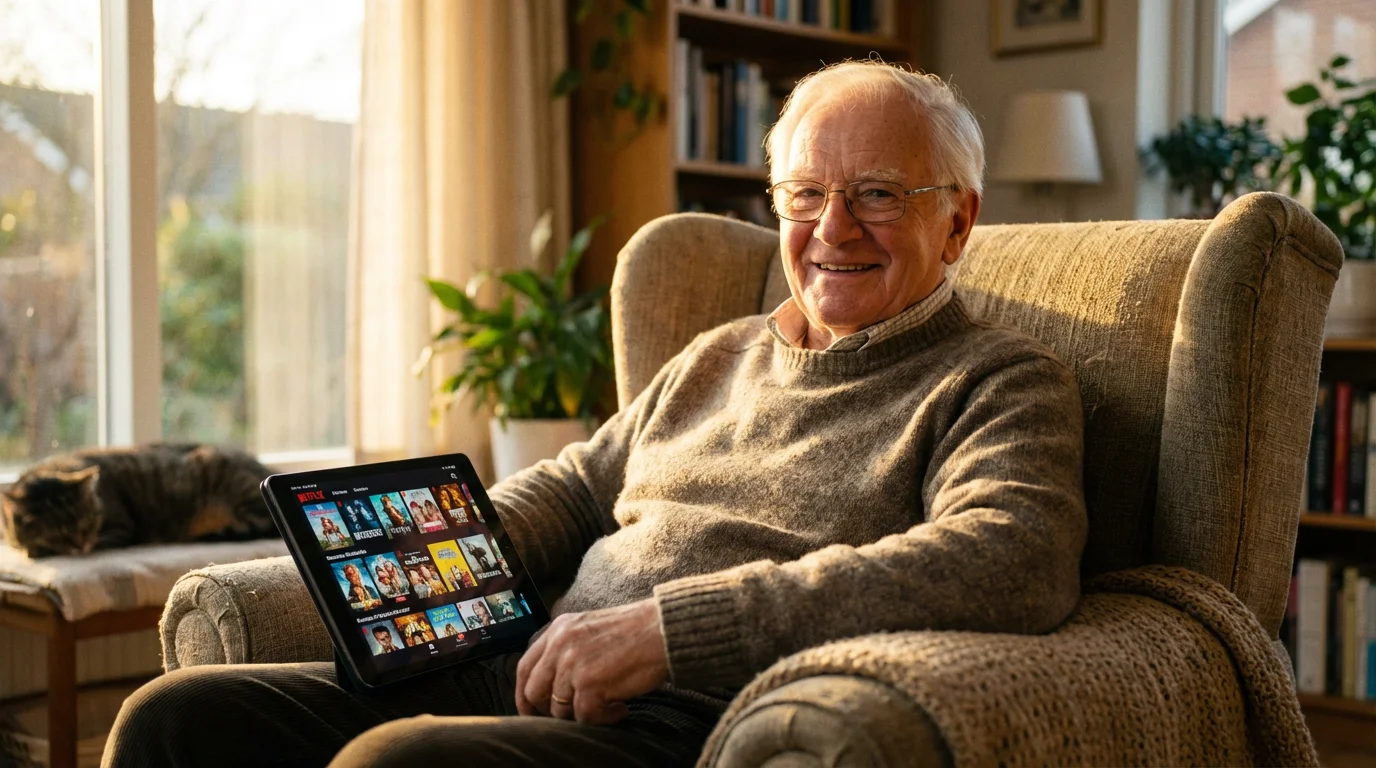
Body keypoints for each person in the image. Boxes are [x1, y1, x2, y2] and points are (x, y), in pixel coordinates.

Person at [106, 61, 1086, 767]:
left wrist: (667, 632)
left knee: (397, 764)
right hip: (527, 667)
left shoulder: (996, 380)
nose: (831, 229)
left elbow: (1013, 556)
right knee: (176, 721)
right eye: (805, 193)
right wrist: (420, 548)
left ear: (956, 218)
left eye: (876, 194)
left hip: (689, 717)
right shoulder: (717, 354)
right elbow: (574, 488)